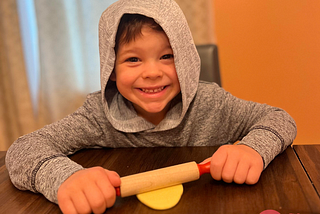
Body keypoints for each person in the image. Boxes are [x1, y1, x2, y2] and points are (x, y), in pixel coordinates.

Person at [5, 0, 297, 213]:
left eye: (167, 56)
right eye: (133, 59)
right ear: (111, 69)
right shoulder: (98, 115)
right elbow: (22, 150)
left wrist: (252, 149)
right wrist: (65, 178)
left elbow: (280, 119)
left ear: (186, 58)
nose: (153, 72)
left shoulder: (211, 104)